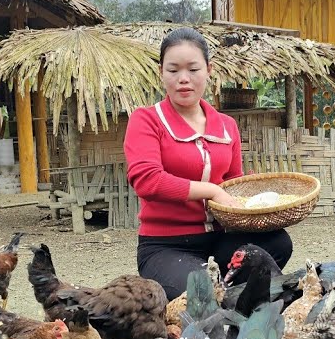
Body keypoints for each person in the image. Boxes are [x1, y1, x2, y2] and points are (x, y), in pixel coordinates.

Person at [125, 27, 293, 299]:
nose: (183, 79)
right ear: (161, 72)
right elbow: (148, 181)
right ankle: (227, 298)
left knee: (277, 243)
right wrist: (212, 190)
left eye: (193, 69)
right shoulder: (146, 120)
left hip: (220, 240)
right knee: (203, 292)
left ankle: (235, 300)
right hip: (166, 247)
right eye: (173, 70)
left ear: (208, 70)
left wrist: (255, 203)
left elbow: (233, 184)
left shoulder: (227, 126)